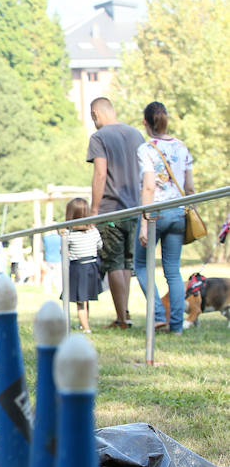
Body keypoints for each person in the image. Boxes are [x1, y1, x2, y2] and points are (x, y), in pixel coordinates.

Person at [134, 101, 194, 335]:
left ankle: (159, 315)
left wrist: (143, 224)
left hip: (155, 213)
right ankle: (177, 326)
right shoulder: (182, 147)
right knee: (173, 270)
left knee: (141, 265)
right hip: (178, 212)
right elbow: (189, 187)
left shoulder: (146, 149)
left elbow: (148, 187)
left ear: (145, 122)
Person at [88, 97, 145, 329]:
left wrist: (94, 210)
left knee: (114, 263)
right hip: (136, 208)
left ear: (95, 114)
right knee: (127, 264)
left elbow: (100, 174)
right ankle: (124, 313)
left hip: (111, 210)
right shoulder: (137, 135)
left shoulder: (99, 138)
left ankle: (122, 318)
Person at [64, 198, 103, 333]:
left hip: (78, 268)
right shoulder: (94, 231)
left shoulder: (69, 235)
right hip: (92, 266)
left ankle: (86, 328)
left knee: (81, 301)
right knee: (85, 298)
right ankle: (83, 323)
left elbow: (63, 252)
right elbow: (100, 245)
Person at [42, 225, 62, 295]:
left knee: (48, 276)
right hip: (58, 259)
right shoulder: (60, 238)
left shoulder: (46, 238)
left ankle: (47, 290)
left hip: (49, 259)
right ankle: (60, 290)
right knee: (59, 276)